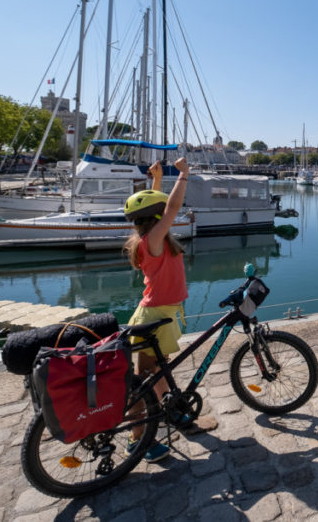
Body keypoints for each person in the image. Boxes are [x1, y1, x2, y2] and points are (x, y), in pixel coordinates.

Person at [122, 157, 192, 462]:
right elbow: (171, 208)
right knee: (142, 380)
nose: (167, 216)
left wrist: (157, 180)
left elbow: (159, 206)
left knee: (157, 369)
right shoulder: (153, 240)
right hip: (154, 315)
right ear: (155, 218)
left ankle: (168, 407)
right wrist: (184, 176)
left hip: (163, 313)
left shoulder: (148, 237)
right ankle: (139, 441)